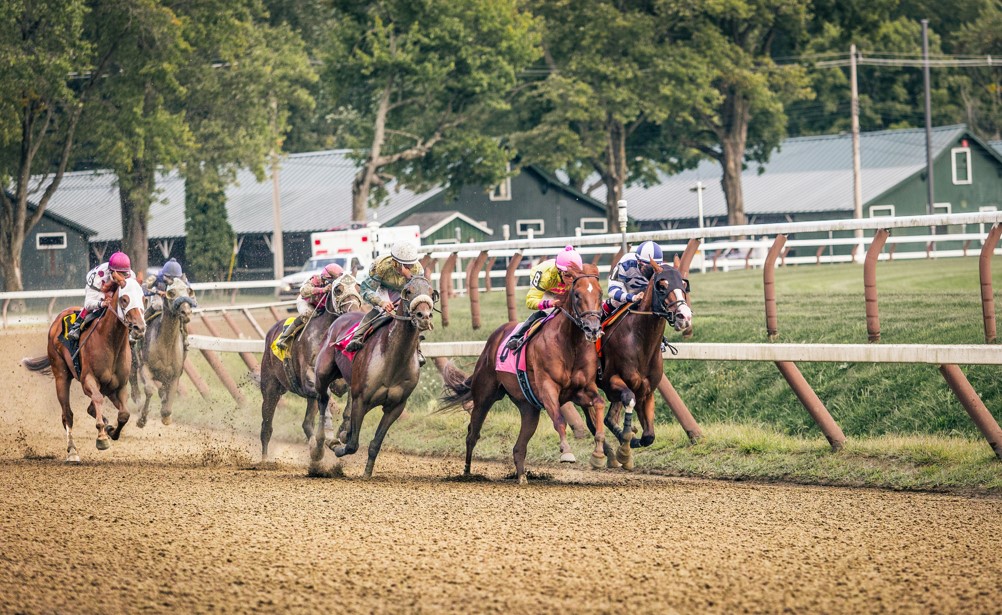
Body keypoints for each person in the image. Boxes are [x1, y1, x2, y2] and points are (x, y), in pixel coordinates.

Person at [344, 241, 424, 356]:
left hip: (405, 290)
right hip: (383, 288)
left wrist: (409, 277)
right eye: (406, 266)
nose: (410, 268)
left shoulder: (417, 269)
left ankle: (418, 349)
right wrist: (381, 302)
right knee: (379, 311)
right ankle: (357, 337)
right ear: (396, 263)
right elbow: (365, 290)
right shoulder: (381, 267)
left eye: (411, 265)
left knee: (414, 314)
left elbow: (419, 292)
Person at [504, 245, 582, 351]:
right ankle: (517, 337)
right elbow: (530, 301)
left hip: (561, 288)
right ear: (559, 270)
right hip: (546, 289)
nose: (571, 280)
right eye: (567, 276)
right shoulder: (545, 276)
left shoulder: (579, 275)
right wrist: (551, 303)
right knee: (547, 313)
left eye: (574, 275)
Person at [605, 240, 670, 351]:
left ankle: (659, 338)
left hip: (647, 295)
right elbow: (612, 290)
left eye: (654, 267)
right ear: (638, 261)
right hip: (626, 292)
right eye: (647, 266)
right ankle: (598, 327)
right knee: (615, 302)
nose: (651, 271)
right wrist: (632, 298)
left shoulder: (662, 270)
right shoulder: (626, 262)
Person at [274, 262, 345, 352]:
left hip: (320, 306)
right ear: (325, 278)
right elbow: (303, 291)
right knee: (309, 313)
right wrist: (322, 290)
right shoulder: (315, 279)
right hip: (306, 301)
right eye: (332, 280)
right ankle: (284, 337)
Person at [67, 251, 136, 341]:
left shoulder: (131, 276)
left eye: (125, 274)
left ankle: (131, 330)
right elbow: (88, 303)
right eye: (120, 274)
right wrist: (103, 303)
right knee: (92, 308)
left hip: (113, 289)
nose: (123, 277)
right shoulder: (98, 276)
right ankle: (76, 326)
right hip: (99, 289)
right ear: (111, 271)